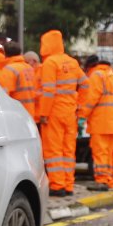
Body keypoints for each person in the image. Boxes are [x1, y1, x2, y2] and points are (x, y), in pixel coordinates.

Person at [38, 30, 88, 197]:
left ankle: (57, 185)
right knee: (68, 150)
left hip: (54, 112)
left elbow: (48, 91)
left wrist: (43, 113)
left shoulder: (50, 63)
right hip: (70, 113)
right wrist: (80, 107)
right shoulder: (72, 62)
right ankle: (68, 184)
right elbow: (85, 84)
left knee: (54, 151)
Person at [78, 55, 113, 191]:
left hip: (100, 121)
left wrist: (82, 116)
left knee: (100, 153)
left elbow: (91, 99)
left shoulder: (96, 76)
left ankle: (102, 181)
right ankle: (109, 180)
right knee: (108, 153)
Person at [0, 42, 39, 120]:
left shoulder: (8, 70)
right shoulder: (29, 68)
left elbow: (4, 94)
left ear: (5, 53)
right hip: (30, 112)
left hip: (17, 113)